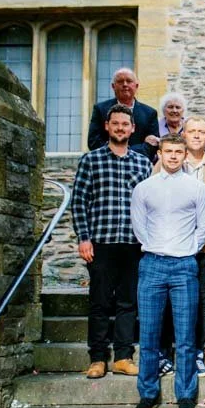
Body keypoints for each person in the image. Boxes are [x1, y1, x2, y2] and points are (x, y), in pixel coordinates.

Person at [130, 135, 205, 408]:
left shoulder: (197, 188)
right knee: (149, 333)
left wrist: (187, 249)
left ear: (185, 154)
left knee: (186, 335)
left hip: (184, 266)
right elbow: (139, 226)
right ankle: (148, 393)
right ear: (160, 153)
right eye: (169, 151)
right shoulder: (144, 188)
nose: (174, 156)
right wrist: (157, 247)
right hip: (152, 264)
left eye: (179, 151)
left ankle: (186, 394)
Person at [72, 104, 152, 379]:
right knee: (100, 302)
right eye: (115, 123)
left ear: (133, 128)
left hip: (133, 243)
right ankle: (97, 359)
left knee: (128, 302)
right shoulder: (91, 160)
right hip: (101, 243)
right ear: (107, 126)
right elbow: (79, 201)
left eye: (125, 124)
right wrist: (84, 237)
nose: (120, 128)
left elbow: (149, 206)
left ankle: (123, 357)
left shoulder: (142, 164)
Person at [151, 117, 205, 379]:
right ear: (183, 135)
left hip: (204, 247)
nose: (197, 135)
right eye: (192, 131)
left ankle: (196, 354)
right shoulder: (167, 162)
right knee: (167, 300)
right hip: (171, 247)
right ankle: (164, 354)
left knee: (199, 301)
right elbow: (152, 201)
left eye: (201, 132)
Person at [87, 68, 159, 159]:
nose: (125, 84)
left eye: (129, 81)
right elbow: (93, 142)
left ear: (136, 86)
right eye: (120, 81)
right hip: (107, 162)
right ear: (113, 86)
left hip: (139, 164)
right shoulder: (100, 109)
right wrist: (122, 152)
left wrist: (123, 151)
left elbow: (153, 146)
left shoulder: (149, 113)